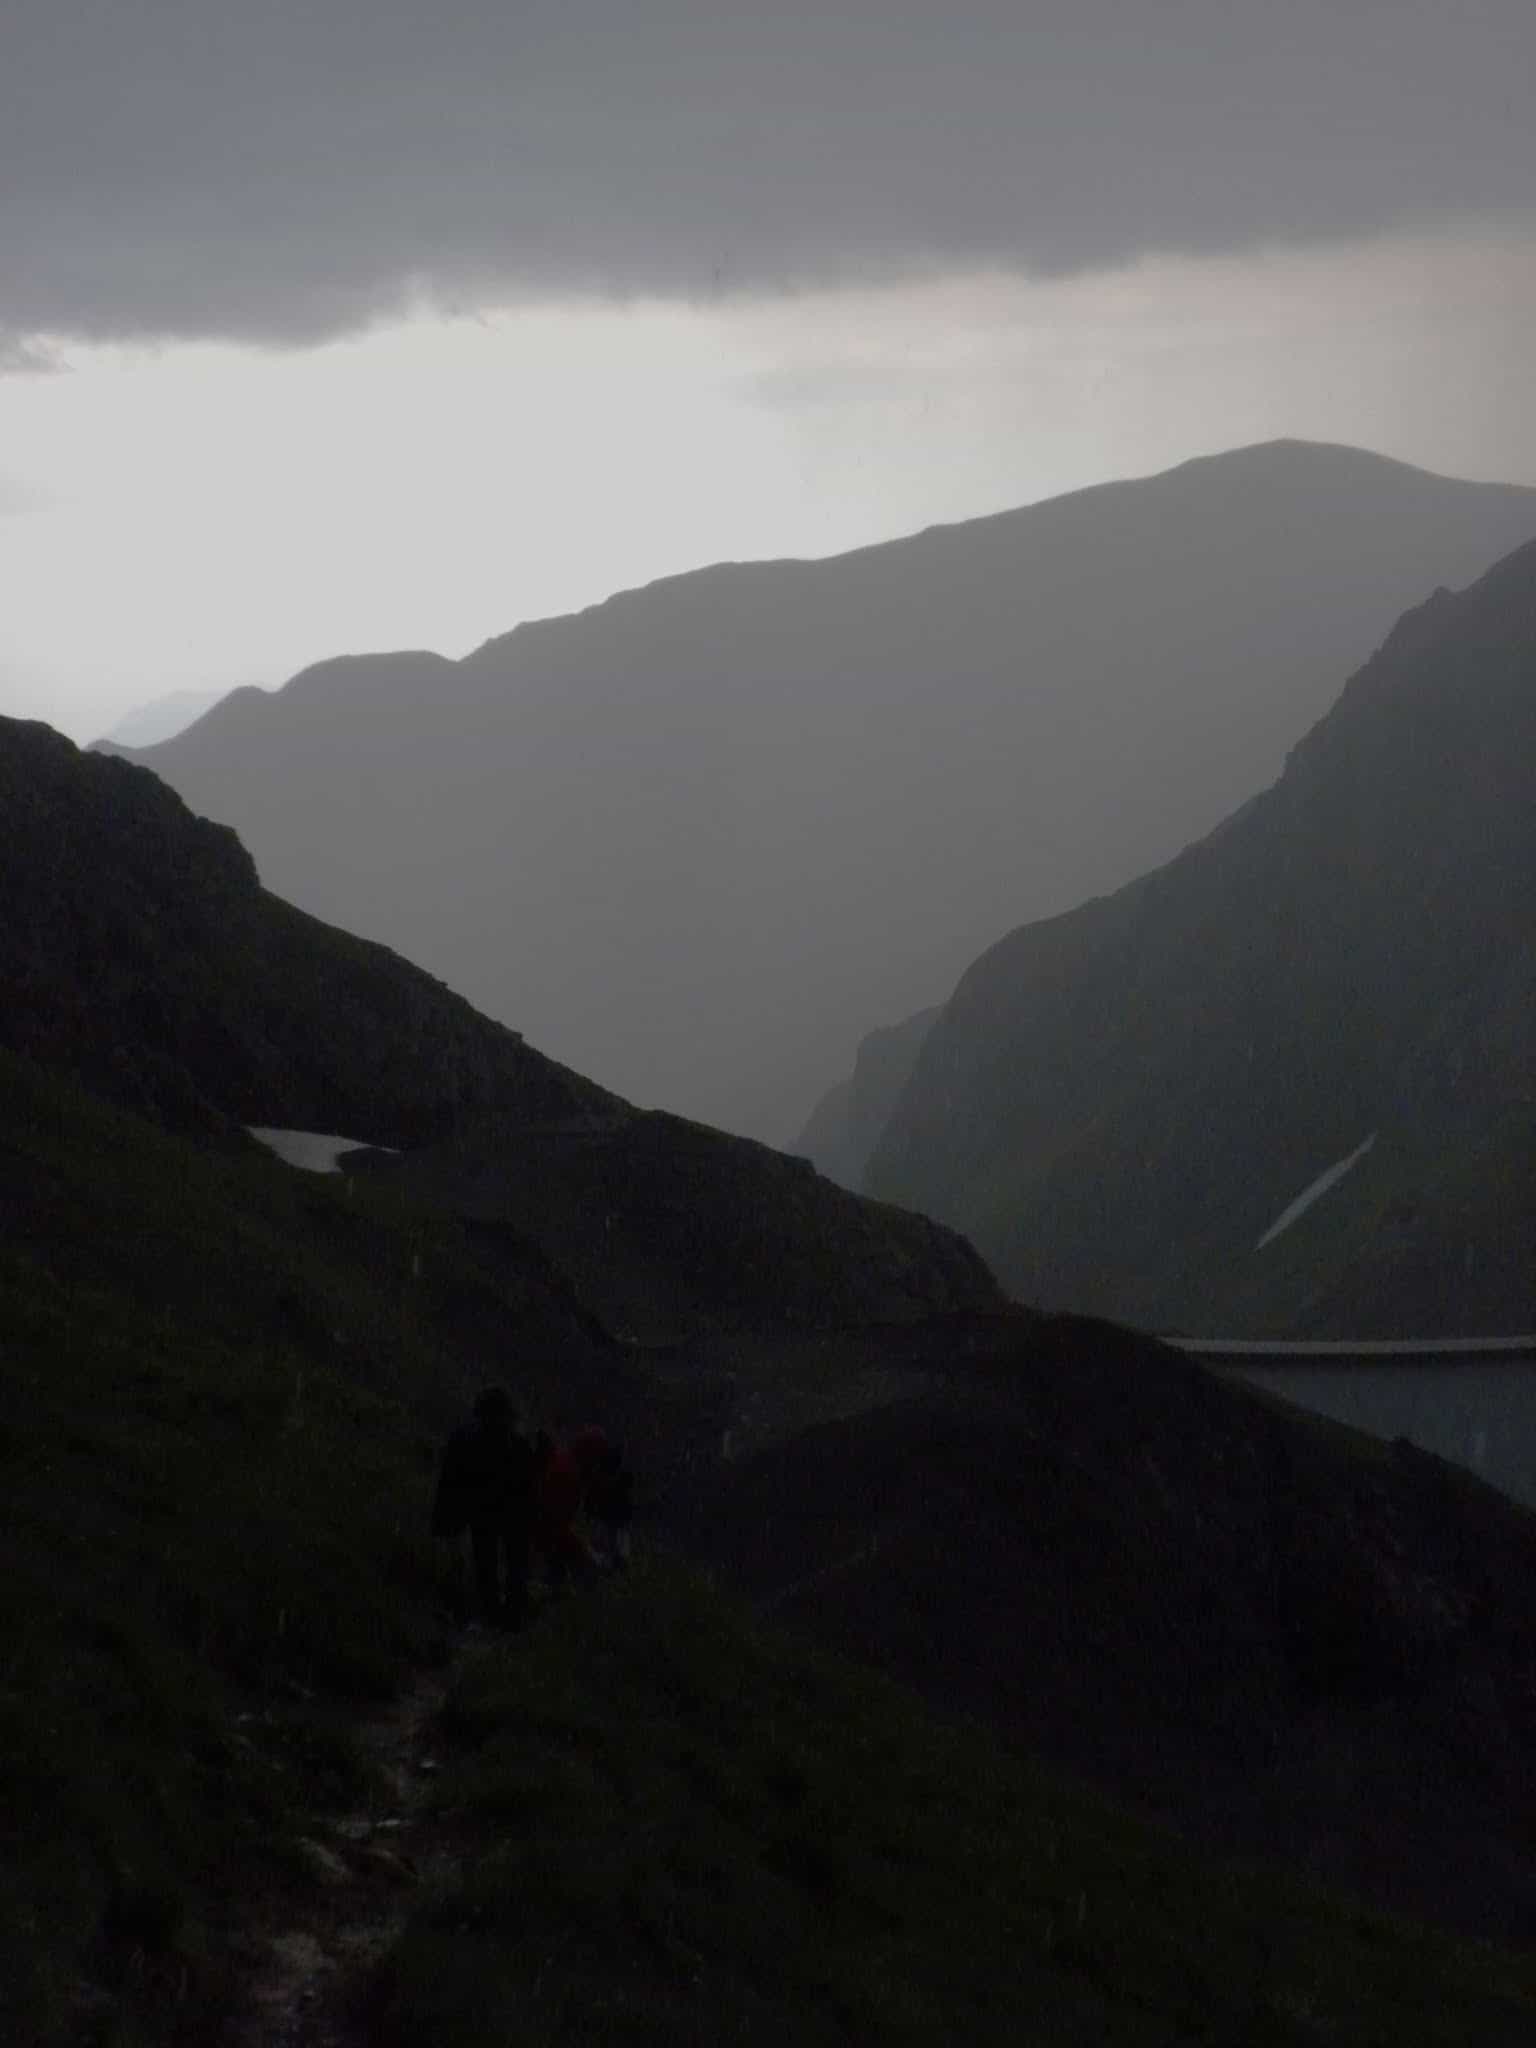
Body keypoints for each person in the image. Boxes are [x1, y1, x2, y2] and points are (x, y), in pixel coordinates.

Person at [432, 1387, 537, 1626]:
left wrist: (448, 1522)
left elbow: (450, 1483)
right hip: (499, 1510)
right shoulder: (515, 1444)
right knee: (505, 1559)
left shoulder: (467, 1440)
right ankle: (508, 1612)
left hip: (485, 1510)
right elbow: (528, 1488)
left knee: (489, 1559)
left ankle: (496, 1611)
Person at [570, 1426, 634, 1570]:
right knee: (606, 1547)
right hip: (606, 1515)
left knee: (608, 1547)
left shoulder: (601, 1470)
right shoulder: (601, 1470)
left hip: (608, 1515)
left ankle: (608, 1565)